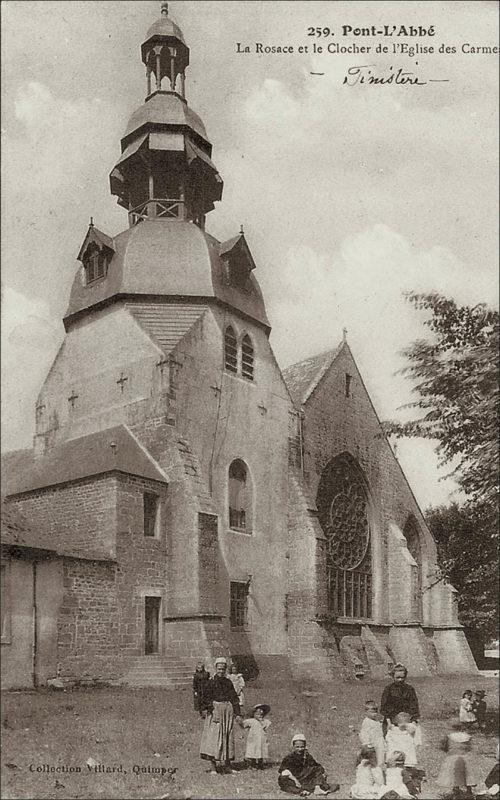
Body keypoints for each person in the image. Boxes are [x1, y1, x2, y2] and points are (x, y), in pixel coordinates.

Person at [199, 656, 242, 774]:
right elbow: (205, 697)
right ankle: (213, 767)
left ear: (225, 669)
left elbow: (234, 698)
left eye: (223, 669)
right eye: (219, 669)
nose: (221, 671)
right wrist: (208, 709)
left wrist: (237, 713)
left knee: (227, 737)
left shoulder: (228, 682)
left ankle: (227, 765)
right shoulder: (211, 682)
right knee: (214, 738)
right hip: (215, 711)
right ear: (215, 668)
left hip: (227, 711)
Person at [435, 730, 478, 798]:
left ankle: (456, 789)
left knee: (455, 774)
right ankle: (469, 789)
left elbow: (443, 747)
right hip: (465, 757)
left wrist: (451, 751)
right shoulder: (467, 737)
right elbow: (470, 748)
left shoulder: (449, 737)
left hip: (453, 757)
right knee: (467, 774)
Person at [239, 703, 271, 769]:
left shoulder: (265, 721)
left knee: (261, 751)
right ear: (253, 714)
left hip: (261, 740)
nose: (260, 716)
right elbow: (243, 724)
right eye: (258, 714)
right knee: (252, 751)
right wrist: (239, 720)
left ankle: (260, 764)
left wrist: (262, 722)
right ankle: (251, 764)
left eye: (261, 715)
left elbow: (266, 726)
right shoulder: (251, 721)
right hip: (253, 740)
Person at [359, 700, 386, 767]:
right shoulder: (367, 722)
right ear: (366, 712)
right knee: (373, 759)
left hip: (379, 742)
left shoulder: (376, 721)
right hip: (372, 744)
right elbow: (364, 733)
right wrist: (367, 743)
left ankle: (380, 767)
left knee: (381, 757)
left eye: (376, 712)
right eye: (372, 712)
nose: (375, 714)